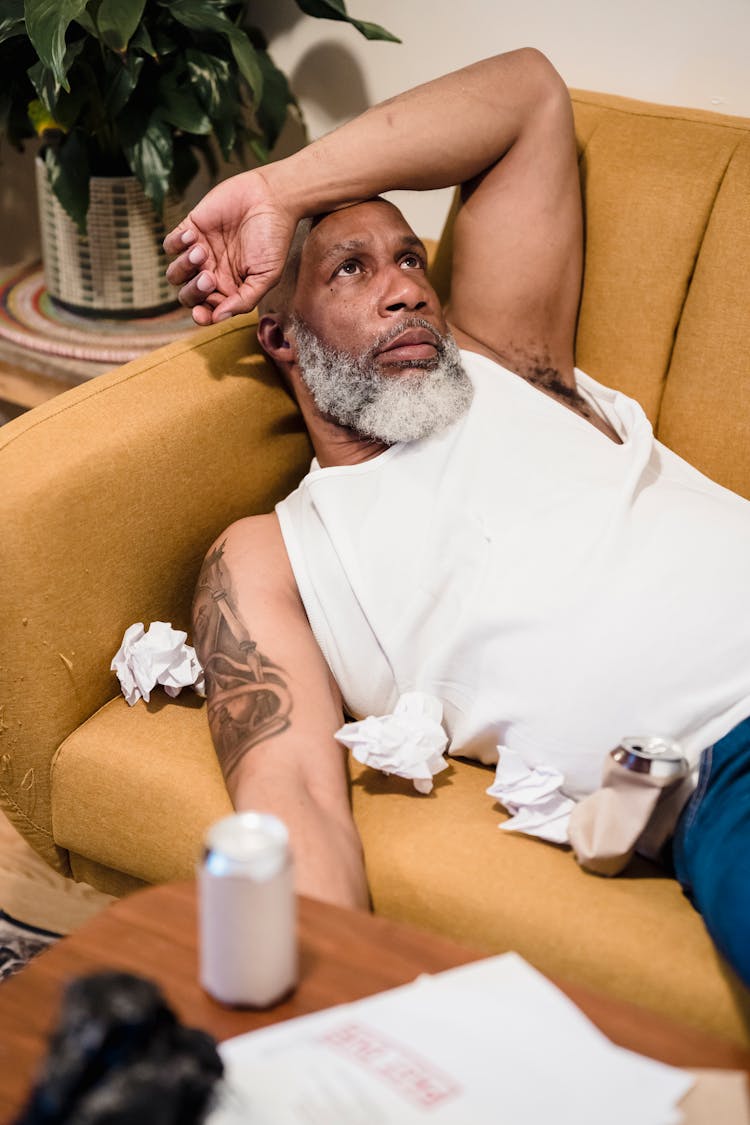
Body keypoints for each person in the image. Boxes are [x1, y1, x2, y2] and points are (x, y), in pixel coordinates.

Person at [164, 50, 750, 982]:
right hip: (731, 761)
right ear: (279, 335)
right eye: (352, 270)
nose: (406, 289)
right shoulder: (275, 552)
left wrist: (280, 187)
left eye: (411, 260)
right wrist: (337, 1018)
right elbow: (297, 797)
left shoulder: (508, 366)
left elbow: (528, 95)